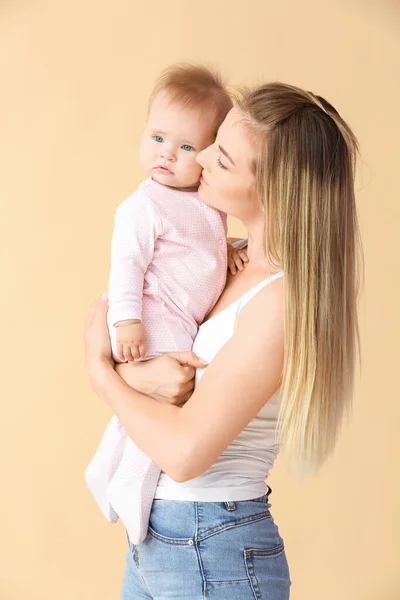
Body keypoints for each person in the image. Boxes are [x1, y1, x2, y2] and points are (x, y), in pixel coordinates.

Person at [84, 80, 362, 600]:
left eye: (225, 158)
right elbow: (153, 356)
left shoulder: (280, 302)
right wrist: (132, 370)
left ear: (275, 190)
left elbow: (186, 452)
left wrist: (103, 374)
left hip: (213, 546)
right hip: (162, 539)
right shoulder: (224, 264)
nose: (202, 157)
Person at [85, 64, 248, 545]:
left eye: (186, 147)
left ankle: (106, 469)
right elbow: (127, 266)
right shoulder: (144, 205)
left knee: (143, 409)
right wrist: (127, 320)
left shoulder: (207, 202)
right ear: (144, 132)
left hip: (180, 318)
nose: (166, 156)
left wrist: (233, 248)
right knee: (164, 411)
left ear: (211, 155)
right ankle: (132, 487)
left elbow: (199, 246)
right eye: (158, 138)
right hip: (154, 318)